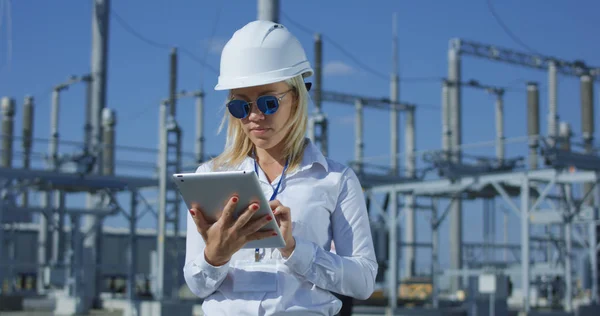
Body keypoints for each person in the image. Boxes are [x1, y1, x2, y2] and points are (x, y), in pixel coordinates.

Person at [183, 20, 378, 316]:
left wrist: (294, 249)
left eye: (268, 102)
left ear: (297, 97)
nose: (255, 116)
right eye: (241, 106)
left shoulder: (336, 180)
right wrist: (215, 256)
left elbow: (363, 281)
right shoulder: (209, 177)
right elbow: (197, 285)